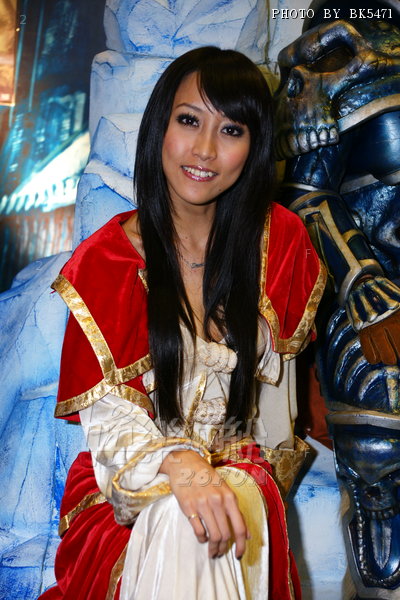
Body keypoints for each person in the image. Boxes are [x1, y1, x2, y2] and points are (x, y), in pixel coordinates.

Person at [40, 46, 326, 600]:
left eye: (231, 130)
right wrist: (183, 467)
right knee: (181, 516)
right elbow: (111, 429)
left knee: (201, 517)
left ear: (254, 147)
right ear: (159, 129)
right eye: (189, 121)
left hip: (240, 483)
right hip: (130, 493)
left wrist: (229, 478)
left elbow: (277, 420)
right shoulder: (105, 263)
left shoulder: (281, 244)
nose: (205, 150)